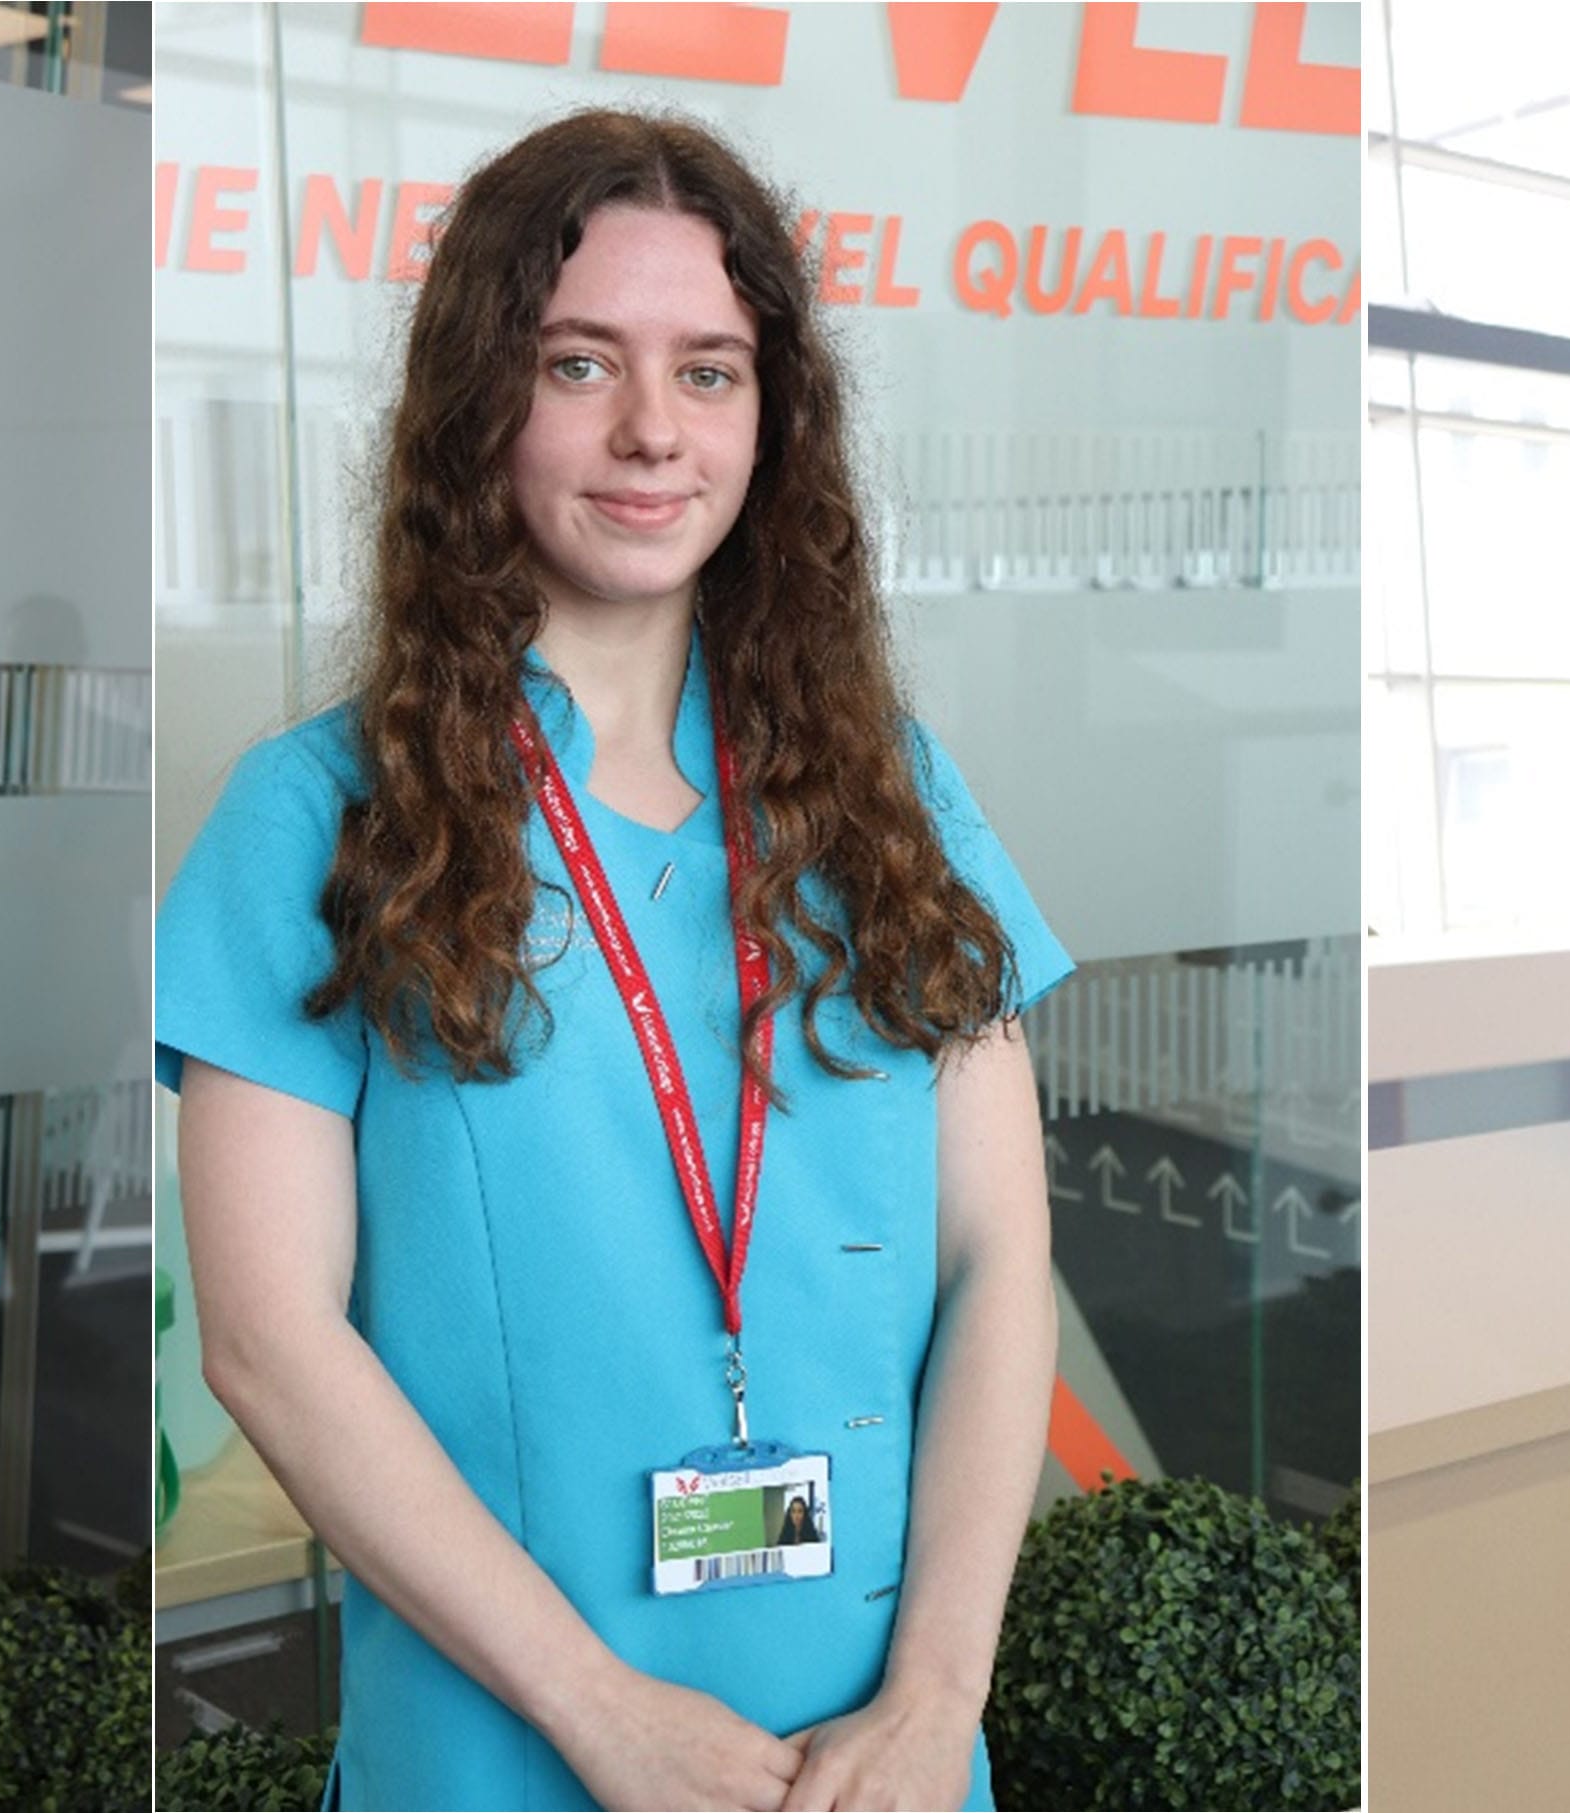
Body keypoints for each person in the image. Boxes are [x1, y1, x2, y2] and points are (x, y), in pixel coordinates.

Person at [158, 109, 1066, 1812]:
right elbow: (269, 1341)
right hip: (507, 1754)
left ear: (772, 417)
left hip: (880, 1762)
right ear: (479, 402)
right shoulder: (312, 818)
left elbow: (1000, 1256)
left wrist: (941, 1699)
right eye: (583, 364)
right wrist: (601, 1710)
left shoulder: (890, 795)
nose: (655, 431)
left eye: (710, 372)